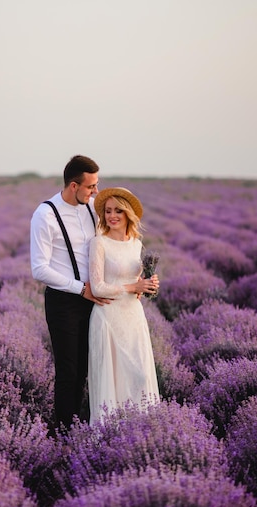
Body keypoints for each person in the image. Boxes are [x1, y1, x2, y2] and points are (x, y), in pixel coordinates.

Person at [30, 155, 108, 431]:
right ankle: (63, 433)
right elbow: (39, 269)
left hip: (93, 299)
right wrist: (80, 289)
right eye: (91, 186)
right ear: (74, 186)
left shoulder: (90, 210)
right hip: (63, 301)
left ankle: (80, 426)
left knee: (87, 370)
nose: (96, 191)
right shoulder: (45, 214)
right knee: (68, 372)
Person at [88, 187, 160, 424]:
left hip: (132, 317)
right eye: (108, 211)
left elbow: (137, 281)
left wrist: (147, 284)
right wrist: (132, 287)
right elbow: (97, 287)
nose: (112, 216)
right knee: (113, 378)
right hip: (108, 316)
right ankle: (109, 436)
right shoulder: (99, 243)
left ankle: (140, 431)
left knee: (138, 376)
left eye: (118, 210)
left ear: (128, 213)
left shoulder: (137, 244)